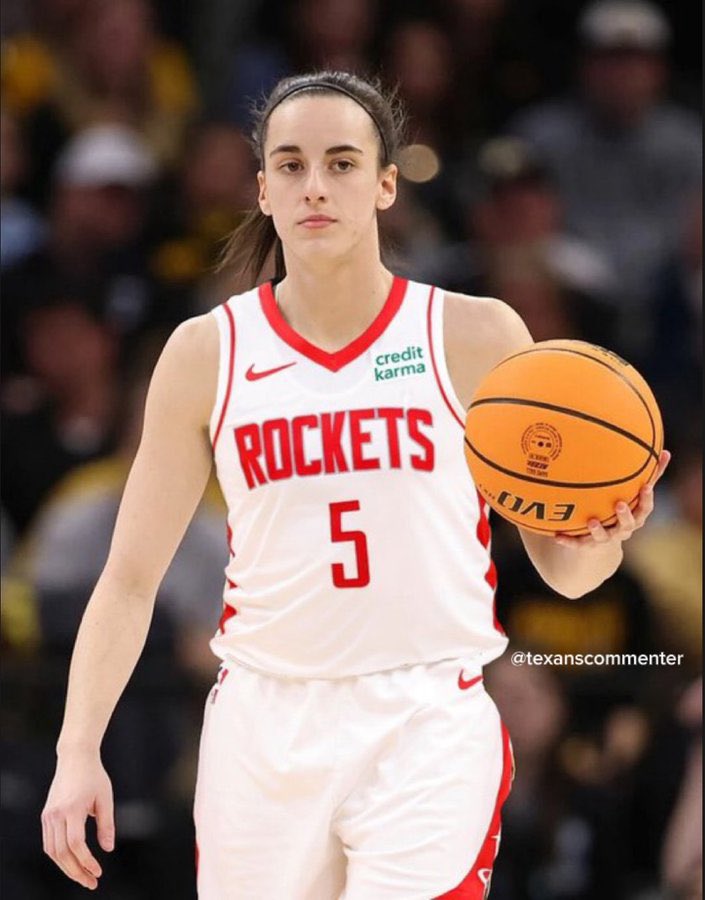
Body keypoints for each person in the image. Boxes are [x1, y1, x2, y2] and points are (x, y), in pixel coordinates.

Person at [41, 70, 669, 899]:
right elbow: (128, 579)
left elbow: (564, 571)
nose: (315, 185)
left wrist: (600, 535)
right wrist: (76, 750)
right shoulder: (205, 353)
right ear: (262, 190)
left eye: (341, 162)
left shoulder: (475, 335)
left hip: (425, 718)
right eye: (291, 164)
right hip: (264, 724)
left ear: (384, 184)